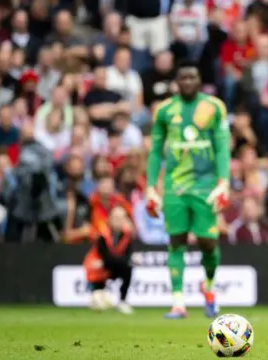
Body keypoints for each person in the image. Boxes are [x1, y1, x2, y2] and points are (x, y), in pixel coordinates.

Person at [145, 61, 230, 319]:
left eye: (192, 77)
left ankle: (209, 286)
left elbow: (222, 146)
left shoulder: (214, 107)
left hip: (205, 185)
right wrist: (151, 186)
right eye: (183, 78)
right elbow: (155, 151)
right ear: (176, 82)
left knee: (208, 243)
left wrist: (224, 181)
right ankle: (178, 302)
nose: (188, 82)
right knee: (176, 240)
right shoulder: (164, 110)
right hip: (175, 185)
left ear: (199, 80)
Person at [83, 205, 135, 314]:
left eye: (121, 218)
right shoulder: (102, 234)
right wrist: (106, 262)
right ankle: (97, 296)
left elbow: (127, 257)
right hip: (97, 269)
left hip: (108, 265)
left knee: (128, 268)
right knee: (98, 294)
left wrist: (104, 263)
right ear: (110, 218)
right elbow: (104, 255)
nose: (118, 221)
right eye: (115, 218)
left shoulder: (127, 235)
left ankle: (122, 301)